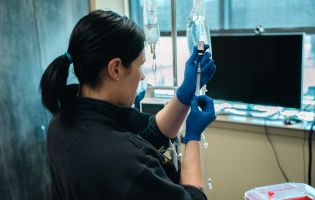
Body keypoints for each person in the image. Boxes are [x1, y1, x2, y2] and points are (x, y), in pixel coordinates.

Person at [40, 10, 216, 200]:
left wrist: (184, 94)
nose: (141, 76)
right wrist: (192, 137)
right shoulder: (122, 162)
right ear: (115, 69)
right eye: (140, 65)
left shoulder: (62, 121)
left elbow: (146, 136)